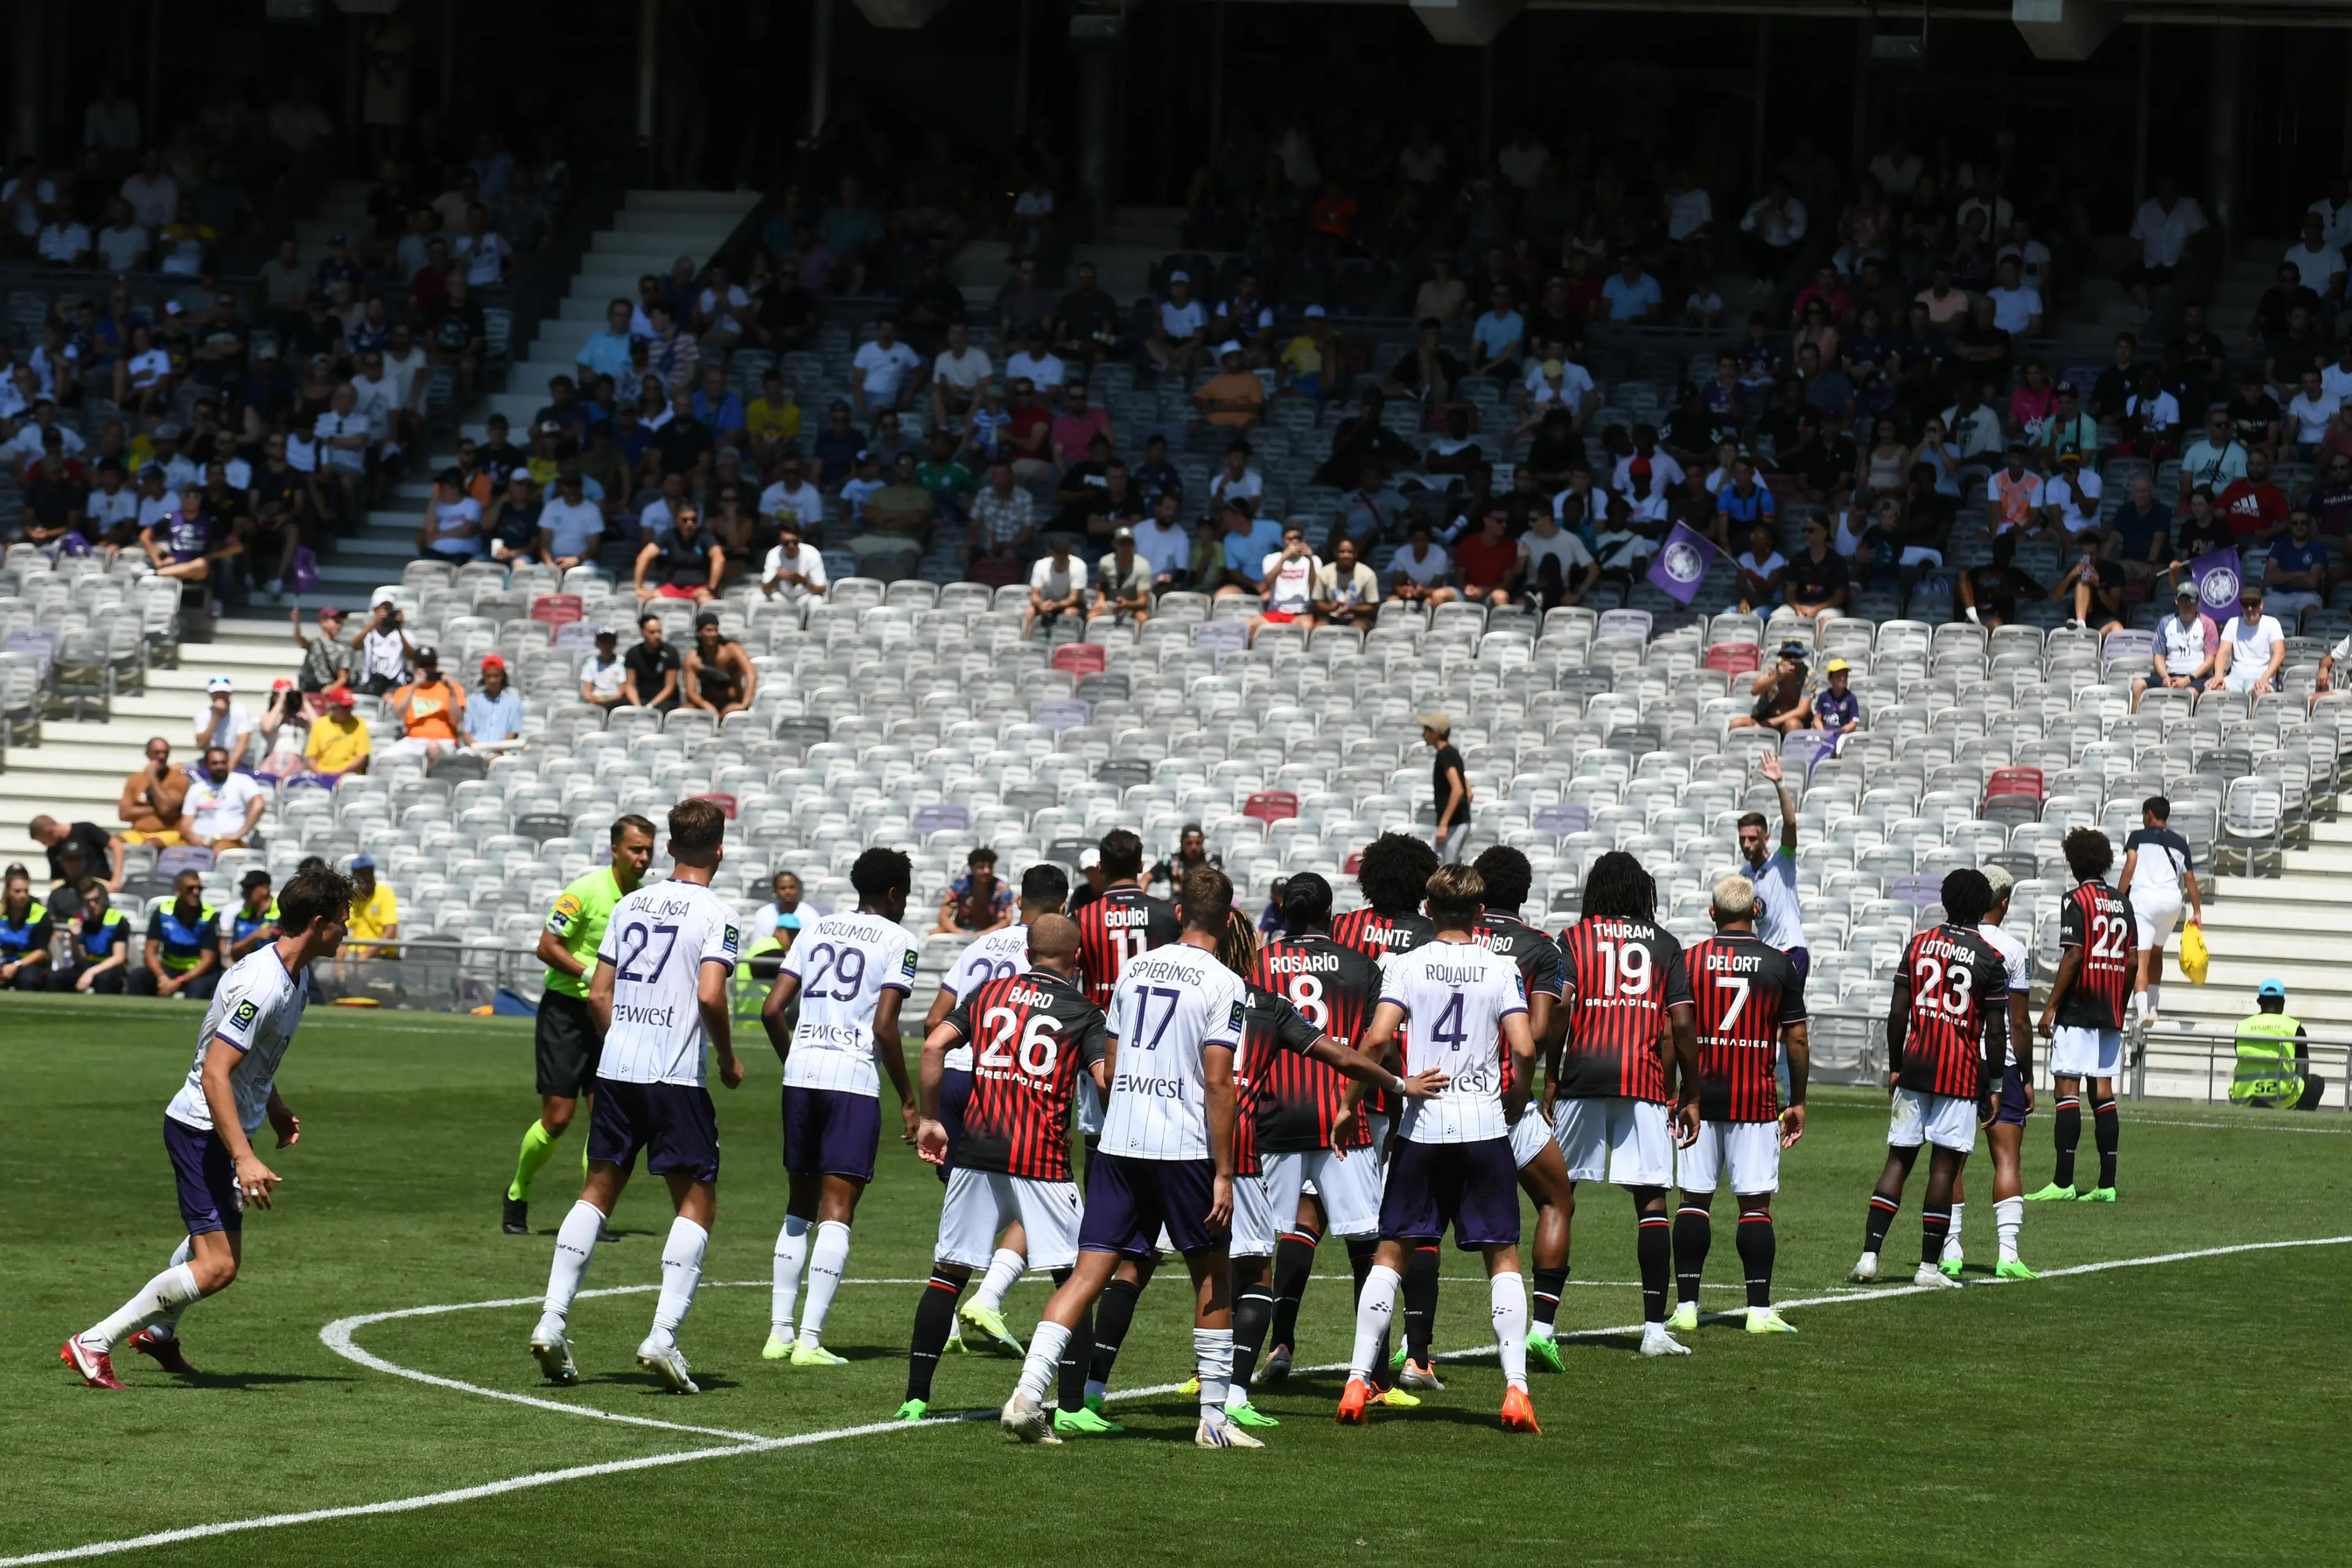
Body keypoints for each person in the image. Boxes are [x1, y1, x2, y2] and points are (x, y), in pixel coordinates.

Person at [60, 866, 352, 1390]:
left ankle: (160, 1333)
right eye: (341, 922)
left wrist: (276, 1107)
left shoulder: (296, 975)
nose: (347, 930)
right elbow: (216, 1071)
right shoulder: (262, 984)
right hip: (201, 1130)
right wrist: (244, 1155)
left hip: (222, 1128)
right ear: (317, 922)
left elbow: (252, 1060)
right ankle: (95, 1340)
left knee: (210, 1249)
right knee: (218, 1266)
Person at [999, 866, 1261, 1449]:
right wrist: (1224, 1172)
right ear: (1228, 914)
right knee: (1213, 1274)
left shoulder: (1132, 971)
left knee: (1089, 1272)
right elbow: (1219, 1084)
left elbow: (1110, 1070)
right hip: (1186, 1147)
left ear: (1177, 909)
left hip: (1119, 1142)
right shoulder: (1226, 985)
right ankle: (1215, 1419)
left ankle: (1026, 1394)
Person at [527, 801, 747, 1394]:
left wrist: (621, 1042)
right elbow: (708, 995)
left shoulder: (630, 905)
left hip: (618, 1067)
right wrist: (727, 1057)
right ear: (719, 851)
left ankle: (551, 1320)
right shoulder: (719, 915)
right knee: (696, 1202)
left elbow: (599, 994)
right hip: (675, 1077)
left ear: (671, 846)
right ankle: (663, 1334)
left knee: (597, 1190)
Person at [1333, 862, 1538, 1432]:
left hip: (1424, 1125)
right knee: (1502, 1258)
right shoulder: (1502, 967)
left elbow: (1376, 1039)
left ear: (1428, 910)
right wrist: (1517, 1097)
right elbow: (1523, 1045)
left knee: (1391, 1252)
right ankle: (1516, 1391)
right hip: (1482, 1124)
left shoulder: (1403, 964)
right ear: (1479, 913)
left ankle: (1356, 1381)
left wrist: (1353, 1102)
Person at [899, 910, 1109, 1423]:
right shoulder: (1083, 1011)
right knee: (1073, 1280)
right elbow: (1106, 1080)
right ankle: (1074, 1408)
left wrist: (929, 1119)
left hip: (976, 1148)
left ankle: (916, 1398)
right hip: (1040, 1158)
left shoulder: (989, 993)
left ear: (1027, 952)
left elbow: (932, 1045)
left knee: (947, 1272)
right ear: (1076, 958)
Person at [1245, 872, 1411, 1395]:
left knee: (1248, 1248)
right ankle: (1377, 1378)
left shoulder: (1258, 964)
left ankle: (1219, 1369)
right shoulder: (1363, 967)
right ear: (1330, 915)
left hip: (1272, 1115)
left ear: (1284, 912)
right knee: (1367, 1246)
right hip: (1343, 1118)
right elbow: (1377, 1045)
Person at [760, 847, 923, 1365]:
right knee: (837, 1211)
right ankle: (809, 1341)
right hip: (851, 1079)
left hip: (801, 1076)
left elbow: (771, 1010)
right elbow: (884, 1028)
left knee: (797, 1207)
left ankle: (778, 1333)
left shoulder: (815, 928)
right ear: (895, 893)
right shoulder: (899, 940)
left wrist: (797, 1061)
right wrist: (909, 1100)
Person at [1551, 850, 1701, 1357]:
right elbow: (1680, 1024)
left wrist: (1552, 1075)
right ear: (1642, 893)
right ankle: (1655, 1331)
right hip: (1643, 1080)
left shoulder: (1573, 938)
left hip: (1583, 1075)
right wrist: (1690, 1093)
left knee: (1559, 1197)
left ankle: (1542, 1327)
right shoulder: (1665, 944)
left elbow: (1562, 1006)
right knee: (1651, 1199)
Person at [1850, 869, 2010, 1288]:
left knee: (1898, 1162)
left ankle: (1870, 1255)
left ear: (1945, 900)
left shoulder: (1919, 944)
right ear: (1983, 906)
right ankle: (1927, 1268)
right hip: (1958, 1076)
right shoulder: (1991, 960)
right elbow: (1996, 1032)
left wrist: (1896, 1065)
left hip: (1916, 1067)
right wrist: (1994, 1086)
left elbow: (1898, 1012)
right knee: (1943, 1170)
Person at [1667, 876, 1809, 1335]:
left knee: (1693, 1200)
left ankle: (1686, 1307)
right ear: (1758, 911)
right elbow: (1798, 1037)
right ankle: (1759, 1312)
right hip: (1756, 1099)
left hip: (1699, 1100)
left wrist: (1674, 1090)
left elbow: (1673, 1030)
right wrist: (1800, 1101)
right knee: (1755, 1207)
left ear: (1712, 913)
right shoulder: (1780, 964)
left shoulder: (1688, 961)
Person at [504, 815, 657, 1236]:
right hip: (566, 1014)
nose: (643, 858)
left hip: (609, 1017)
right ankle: (518, 1193)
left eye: (648, 850)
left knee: (605, 1118)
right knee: (558, 1118)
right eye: (635, 849)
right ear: (615, 850)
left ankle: (592, 1213)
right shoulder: (585, 892)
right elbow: (546, 946)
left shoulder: (641, 902)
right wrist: (591, 975)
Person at [1464, 848, 1579, 1371]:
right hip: (1506, 1099)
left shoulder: (1449, 934)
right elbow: (1532, 1033)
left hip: (1441, 1095)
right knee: (1556, 1199)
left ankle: (1412, 1347)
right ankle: (1543, 1331)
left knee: (1420, 1227)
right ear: (1525, 892)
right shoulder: (1540, 948)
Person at [2027, 829, 2134, 1205]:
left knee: (2066, 1090)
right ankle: (2107, 1184)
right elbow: (2134, 960)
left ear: (2074, 863)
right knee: (2103, 1094)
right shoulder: (2123, 902)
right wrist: (2120, 1001)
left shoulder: (2075, 900)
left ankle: (2064, 1181)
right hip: (2110, 1009)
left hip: (2078, 1009)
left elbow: (2073, 956)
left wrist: (2051, 1005)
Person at [1966, 864, 2042, 1281]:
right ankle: (2008, 1255)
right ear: (2005, 902)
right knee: (2007, 1157)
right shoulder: (2012, 949)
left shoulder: (1951, 941)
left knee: (1950, 1160)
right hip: (2002, 1061)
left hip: (1958, 1060)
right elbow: (2019, 1021)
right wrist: (2027, 1076)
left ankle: (1950, 1251)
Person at [2117, 796, 2202, 1030]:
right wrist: (2197, 911)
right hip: (2171, 902)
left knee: (2141, 959)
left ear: (2149, 814)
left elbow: (2130, 866)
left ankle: (2143, 1011)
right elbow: (2190, 879)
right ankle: (2154, 1007)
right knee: (2157, 953)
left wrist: (2118, 896)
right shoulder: (2180, 842)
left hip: (2144, 900)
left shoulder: (2137, 837)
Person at [1727, 752, 1808, 980]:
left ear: (1766, 837)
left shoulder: (1782, 861)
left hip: (1791, 949)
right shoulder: (1745, 875)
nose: (1746, 844)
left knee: (1787, 1015)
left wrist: (1780, 783)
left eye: (1752, 838)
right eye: (1742, 838)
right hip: (1766, 953)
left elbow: (1791, 823)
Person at [2232, 980, 2324, 1110]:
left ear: (2259, 1002)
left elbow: (2239, 1055)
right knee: (2316, 1083)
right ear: (2283, 1002)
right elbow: (2303, 1068)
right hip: (2282, 1098)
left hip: (2244, 1097)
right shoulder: (2294, 1028)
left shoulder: (2242, 1027)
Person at [2136, 582, 2217, 709]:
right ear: (2177, 601)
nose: (2187, 604)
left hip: (2196, 677)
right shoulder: (2165, 623)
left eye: (2192, 599)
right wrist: (2165, 677)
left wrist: (2188, 679)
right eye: (2183, 599)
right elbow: (2158, 656)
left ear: (2198, 602)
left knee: (2190, 693)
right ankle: (2134, 723)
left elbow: (2211, 660)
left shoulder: (2208, 624)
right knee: (2138, 685)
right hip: (2169, 675)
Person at [385, 647, 464, 769]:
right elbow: (399, 716)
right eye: (423, 665)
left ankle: (430, 785)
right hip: (413, 741)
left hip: (444, 741)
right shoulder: (405, 690)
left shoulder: (452, 688)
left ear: (437, 665)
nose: (427, 669)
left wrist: (452, 693)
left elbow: (457, 721)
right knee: (384, 758)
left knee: (433, 748)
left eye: (431, 665)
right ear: (415, 667)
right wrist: (413, 688)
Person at [47, 881, 133, 993]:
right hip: (85, 967)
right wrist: (73, 938)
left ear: (102, 899)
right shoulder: (79, 919)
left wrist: (91, 972)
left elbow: (119, 958)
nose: (92, 905)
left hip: (109, 969)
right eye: (88, 902)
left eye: (96, 900)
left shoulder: (117, 920)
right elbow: (79, 959)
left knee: (103, 979)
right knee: (56, 978)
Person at [181, 747, 266, 853]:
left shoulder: (242, 781)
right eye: (215, 763)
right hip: (199, 838)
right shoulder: (197, 788)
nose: (220, 767)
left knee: (218, 851)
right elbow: (186, 822)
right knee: (175, 852)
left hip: (231, 840)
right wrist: (193, 838)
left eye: (223, 763)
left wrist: (240, 834)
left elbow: (259, 805)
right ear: (206, 766)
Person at [2209, 585, 2286, 698]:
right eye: (2246, 604)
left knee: (2260, 692)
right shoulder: (2233, 623)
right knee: (2210, 689)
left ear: (2261, 605)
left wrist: (2265, 678)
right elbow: (2223, 652)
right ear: (2240, 606)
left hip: (2261, 676)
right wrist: (2219, 676)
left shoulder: (2272, 623)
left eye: (2254, 604)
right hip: (2235, 677)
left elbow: (2280, 654)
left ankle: (2253, 716)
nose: (2250, 609)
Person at [679, 611, 756, 720]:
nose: (714, 634)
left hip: (732, 701)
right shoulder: (693, 658)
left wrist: (744, 704)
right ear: (700, 633)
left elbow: (751, 674)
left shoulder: (731, 649)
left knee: (731, 713)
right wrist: (706, 705)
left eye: (716, 630)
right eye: (709, 630)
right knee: (683, 711)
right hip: (708, 701)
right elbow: (691, 692)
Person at [118, 737, 191, 846]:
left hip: (167, 833)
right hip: (138, 833)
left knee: (149, 845)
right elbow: (124, 814)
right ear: (148, 754)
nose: (161, 757)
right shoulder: (135, 779)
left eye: (165, 753)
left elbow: (165, 809)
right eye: (157, 753)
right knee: (115, 842)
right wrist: (154, 809)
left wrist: (153, 777)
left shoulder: (179, 779)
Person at [1421, 712, 1472, 864]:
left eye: (1426, 730)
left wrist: (1444, 824)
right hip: (1458, 822)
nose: (1423, 734)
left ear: (1435, 733)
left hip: (1453, 825)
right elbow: (1469, 793)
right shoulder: (1453, 753)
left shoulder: (1444, 755)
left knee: (1446, 874)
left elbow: (1458, 790)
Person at [29, 815, 125, 895]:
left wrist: (116, 880)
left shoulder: (86, 830)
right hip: (72, 891)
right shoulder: (52, 851)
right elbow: (56, 879)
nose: (44, 845)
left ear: (49, 831)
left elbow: (117, 846)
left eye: (43, 841)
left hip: (98, 884)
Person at [935, 847, 1014, 936]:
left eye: (990, 867)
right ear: (972, 868)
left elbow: (1005, 922)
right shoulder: (959, 885)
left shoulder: (1002, 889)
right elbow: (944, 917)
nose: (987, 871)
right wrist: (960, 934)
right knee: (935, 932)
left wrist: (981, 935)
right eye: (981, 867)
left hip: (990, 934)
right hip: (961, 930)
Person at [1023, 541, 1087, 643]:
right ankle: (1027, 644)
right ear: (1051, 552)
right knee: (1030, 612)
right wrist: (1041, 605)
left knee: (1069, 613)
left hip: (1070, 606)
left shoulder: (1079, 566)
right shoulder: (1041, 565)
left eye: (1064, 552)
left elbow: (1074, 598)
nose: (1062, 556)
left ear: (1069, 552)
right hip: (1046, 604)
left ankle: (1066, 645)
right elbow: (1035, 595)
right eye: (1058, 553)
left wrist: (1056, 605)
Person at [0, 872, 55, 990]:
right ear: (8, 892)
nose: (23, 895)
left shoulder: (40, 915)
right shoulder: (1, 912)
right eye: (17, 891)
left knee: (27, 980)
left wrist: (16, 965)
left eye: (26, 891)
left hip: (31, 965)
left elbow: (42, 952)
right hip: (5, 961)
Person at [344, 854, 399, 964]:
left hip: (381, 955)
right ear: (354, 875)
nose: (366, 877)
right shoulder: (352, 897)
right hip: (354, 955)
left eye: (369, 872)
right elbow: (342, 929)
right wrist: (340, 959)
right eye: (361, 873)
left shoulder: (385, 894)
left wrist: (366, 955)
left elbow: (390, 932)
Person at [624, 613, 682, 711]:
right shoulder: (633, 653)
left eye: (659, 632)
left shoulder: (671, 653)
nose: (657, 636)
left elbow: (670, 687)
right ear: (643, 633)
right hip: (642, 699)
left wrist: (650, 707)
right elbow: (630, 686)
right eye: (652, 632)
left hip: (665, 701)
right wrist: (638, 707)